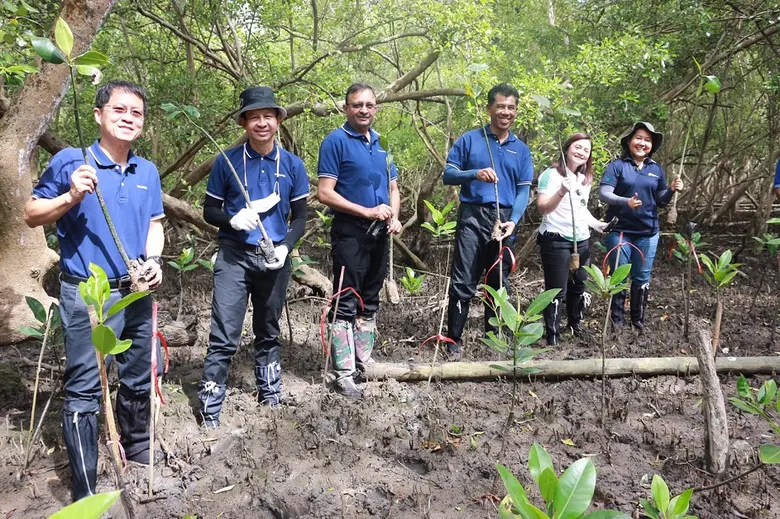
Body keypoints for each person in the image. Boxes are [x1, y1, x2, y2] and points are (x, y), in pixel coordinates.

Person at [23, 80, 164, 501]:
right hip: (89, 294)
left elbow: (154, 225)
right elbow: (32, 214)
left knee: (139, 373)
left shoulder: (148, 171)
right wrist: (70, 194)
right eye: (119, 110)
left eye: (136, 113)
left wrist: (153, 261)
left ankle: (137, 456)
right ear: (100, 115)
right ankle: (86, 488)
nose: (127, 118)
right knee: (86, 383)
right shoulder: (72, 160)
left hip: (137, 290)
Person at [197, 86, 309, 427]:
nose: (262, 123)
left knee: (268, 328)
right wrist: (231, 218)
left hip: (274, 258)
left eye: (268, 116)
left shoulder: (292, 164)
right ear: (244, 122)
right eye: (254, 117)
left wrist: (285, 246)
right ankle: (210, 404)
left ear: (278, 120)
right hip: (234, 255)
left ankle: (270, 392)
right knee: (224, 333)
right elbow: (208, 210)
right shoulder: (227, 162)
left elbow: (301, 216)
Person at [317, 83, 401, 398]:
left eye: (369, 104)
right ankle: (342, 372)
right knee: (346, 299)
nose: (363, 110)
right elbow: (325, 192)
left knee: (370, 299)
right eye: (356, 105)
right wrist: (365, 211)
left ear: (376, 108)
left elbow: (394, 189)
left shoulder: (383, 144)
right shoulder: (335, 142)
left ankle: (363, 361)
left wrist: (394, 216)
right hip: (350, 231)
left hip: (380, 233)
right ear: (346, 108)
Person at [443, 83, 533, 360]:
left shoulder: (522, 149)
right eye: (501, 107)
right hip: (472, 216)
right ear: (489, 109)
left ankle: (493, 338)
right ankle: (453, 341)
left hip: (504, 219)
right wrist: (474, 174)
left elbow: (523, 190)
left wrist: (514, 221)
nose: (506, 112)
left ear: (516, 111)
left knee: (498, 281)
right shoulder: (471, 140)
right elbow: (449, 174)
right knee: (463, 280)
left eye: (511, 108)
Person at [599, 121, 683, 330]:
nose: (642, 143)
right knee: (618, 276)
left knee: (642, 277)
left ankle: (637, 321)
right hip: (619, 230)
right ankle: (616, 322)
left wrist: (672, 189)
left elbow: (661, 199)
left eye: (647, 140)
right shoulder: (617, 166)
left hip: (647, 232)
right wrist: (624, 201)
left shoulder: (656, 169)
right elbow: (605, 193)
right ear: (629, 141)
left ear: (652, 145)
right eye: (638, 138)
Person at [536, 133, 610, 345]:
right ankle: (552, 334)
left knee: (579, 284)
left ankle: (574, 324)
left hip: (581, 239)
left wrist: (598, 224)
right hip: (555, 238)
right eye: (577, 147)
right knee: (556, 289)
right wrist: (561, 191)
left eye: (586, 150)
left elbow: (581, 209)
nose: (581, 152)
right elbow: (542, 208)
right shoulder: (550, 175)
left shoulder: (584, 179)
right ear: (567, 148)